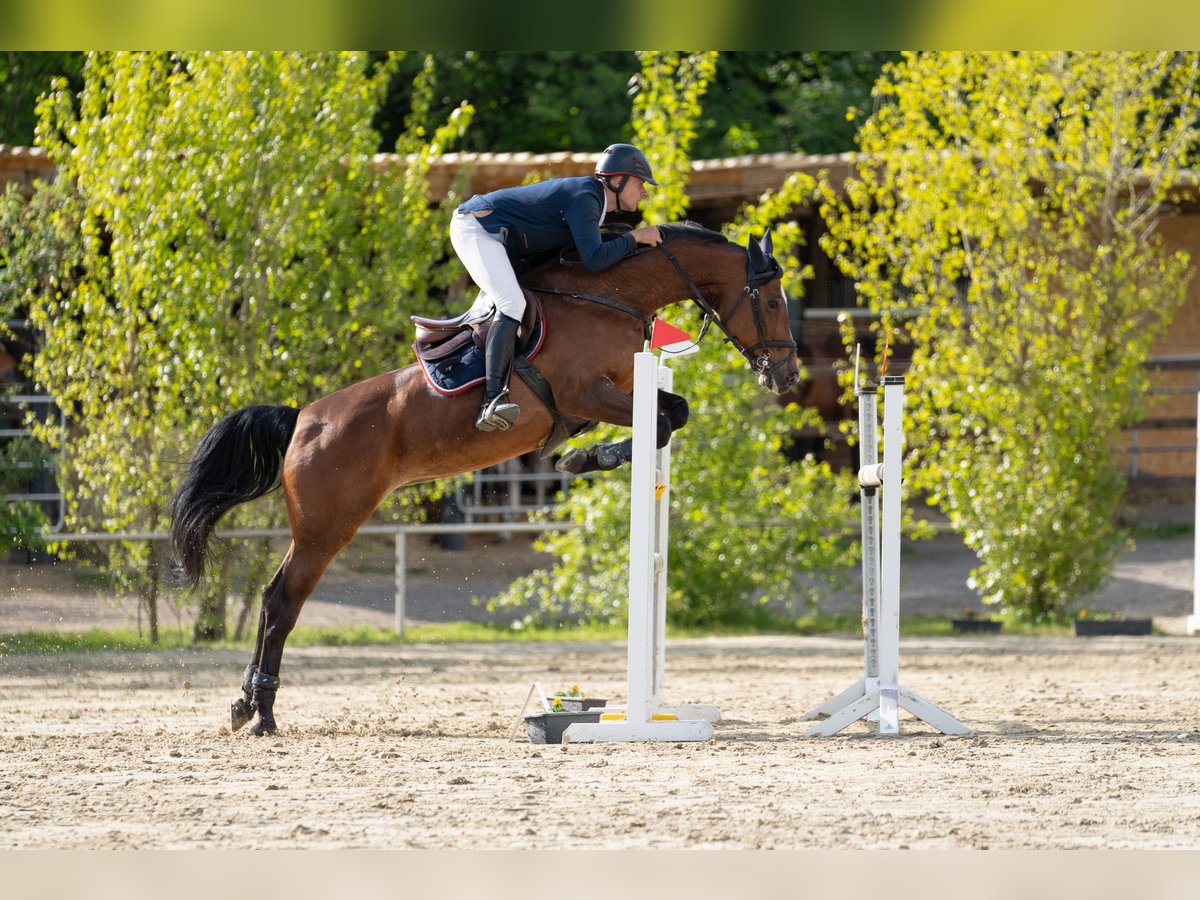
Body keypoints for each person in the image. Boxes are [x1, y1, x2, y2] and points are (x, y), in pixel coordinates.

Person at [449, 143, 663, 432]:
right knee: (512, 304)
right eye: (640, 183)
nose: (644, 191)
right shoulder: (586, 198)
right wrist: (634, 238)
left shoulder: (593, 204)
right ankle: (492, 400)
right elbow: (595, 259)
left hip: (503, 240)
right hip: (478, 229)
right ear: (617, 180)